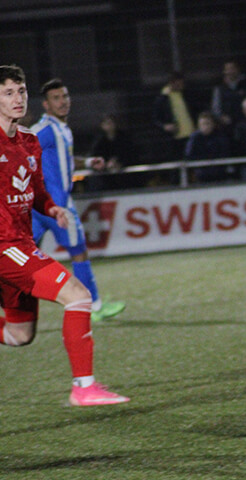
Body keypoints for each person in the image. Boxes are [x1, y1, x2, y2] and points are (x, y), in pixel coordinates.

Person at [0, 65, 129, 406]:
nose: (18, 98)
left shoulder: (28, 141)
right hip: (4, 247)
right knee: (78, 296)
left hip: (21, 241)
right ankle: (83, 387)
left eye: (22, 91)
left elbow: (38, 189)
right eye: (9, 93)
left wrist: (52, 207)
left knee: (19, 334)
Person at [30, 79, 126, 323]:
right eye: (56, 98)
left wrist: (88, 162)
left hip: (38, 206)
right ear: (46, 104)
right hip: (57, 205)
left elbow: (64, 160)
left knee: (15, 256)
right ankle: (93, 306)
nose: (62, 102)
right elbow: (20, 146)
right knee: (79, 252)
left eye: (65, 97)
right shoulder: (46, 129)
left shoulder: (62, 129)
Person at [153, 71, 196, 162]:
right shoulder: (162, 98)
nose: (181, 86)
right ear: (172, 83)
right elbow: (155, 119)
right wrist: (165, 126)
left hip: (191, 135)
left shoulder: (186, 94)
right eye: (179, 84)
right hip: (175, 139)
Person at [210, 60, 246, 131]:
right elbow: (215, 108)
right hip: (227, 125)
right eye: (227, 69)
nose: (230, 71)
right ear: (224, 72)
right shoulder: (219, 88)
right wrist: (221, 117)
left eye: (232, 68)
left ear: (238, 69)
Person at [184, 111, 232, 182]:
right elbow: (189, 155)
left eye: (207, 124)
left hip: (219, 174)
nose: (205, 127)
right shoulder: (194, 138)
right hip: (201, 175)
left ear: (213, 124)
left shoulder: (220, 136)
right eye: (202, 124)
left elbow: (225, 153)